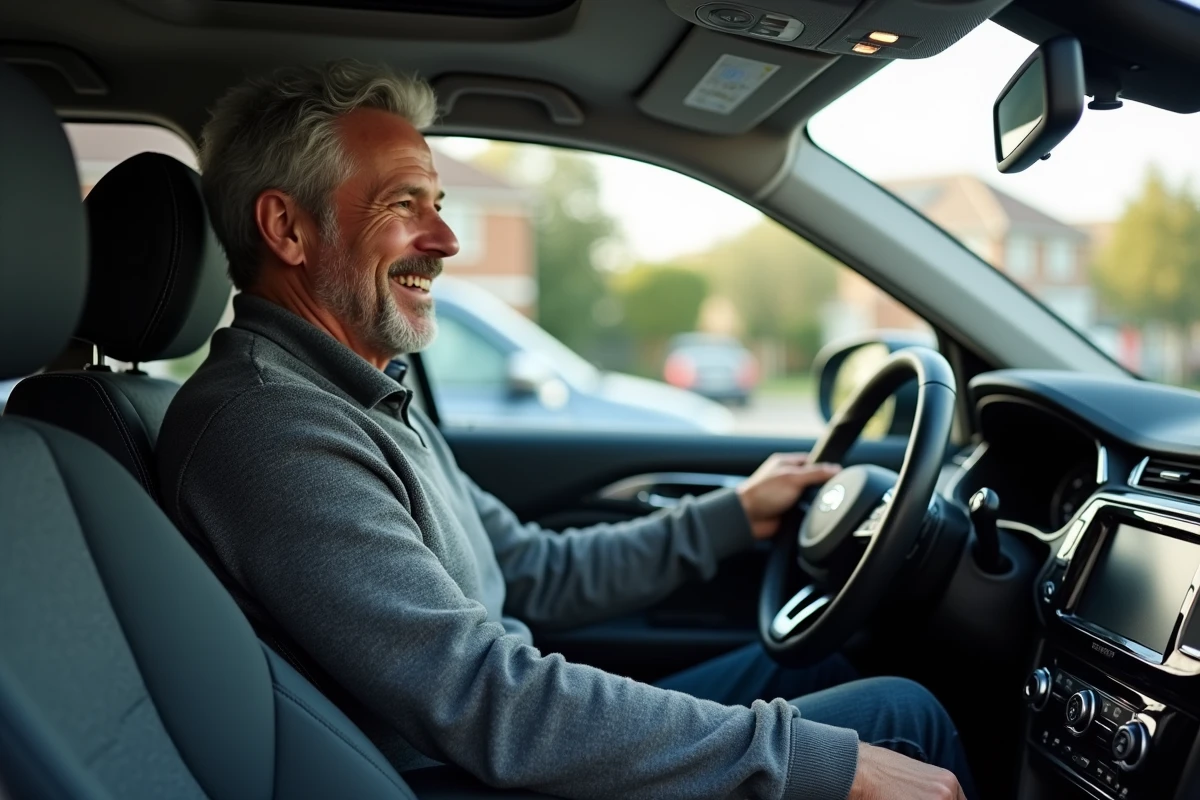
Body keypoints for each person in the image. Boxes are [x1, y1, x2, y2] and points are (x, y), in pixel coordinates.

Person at [157, 59, 974, 800]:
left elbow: (531, 570)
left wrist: (736, 514)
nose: (446, 241)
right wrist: (817, 765)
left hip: (497, 752)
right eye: (403, 204)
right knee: (899, 721)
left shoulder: (365, 395)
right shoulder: (268, 428)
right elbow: (483, 698)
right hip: (459, 776)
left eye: (438, 205)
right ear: (287, 229)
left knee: (827, 666)